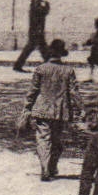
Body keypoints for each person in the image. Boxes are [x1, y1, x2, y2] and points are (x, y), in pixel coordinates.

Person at [22, 39, 79, 181]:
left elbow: (33, 91)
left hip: (42, 109)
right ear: (62, 54)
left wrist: (27, 107)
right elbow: (74, 93)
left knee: (43, 139)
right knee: (56, 140)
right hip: (60, 111)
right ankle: (52, 167)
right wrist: (81, 109)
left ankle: (45, 167)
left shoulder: (41, 69)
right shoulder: (69, 71)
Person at [12, 0, 51, 71]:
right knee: (35, 48)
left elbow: (45, 12)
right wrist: (45, 4)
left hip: (38, 30)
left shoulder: (37, 3)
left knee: (41, 48)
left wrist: (45, 4)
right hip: (35, 31)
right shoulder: (35, 4)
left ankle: (18, 66)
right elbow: (43, 12)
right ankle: (17, 66)